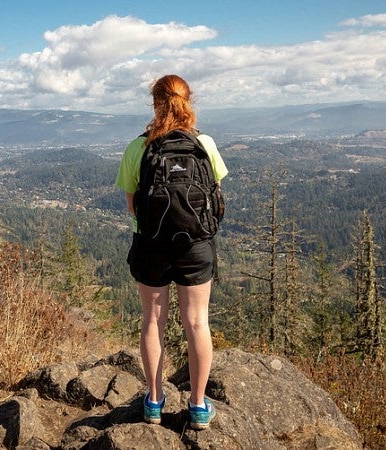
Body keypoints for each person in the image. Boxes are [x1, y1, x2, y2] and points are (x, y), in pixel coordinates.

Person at [115, 74, 228, 429]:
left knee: (152, 321)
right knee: (197, 322)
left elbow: (133, 207)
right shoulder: (204, 144)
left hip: (151, 246)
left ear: (155, 103)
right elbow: (214, 199)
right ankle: (197, 406)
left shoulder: (138, 148)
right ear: (188, 103)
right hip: (196, 247)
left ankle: (152, 401)